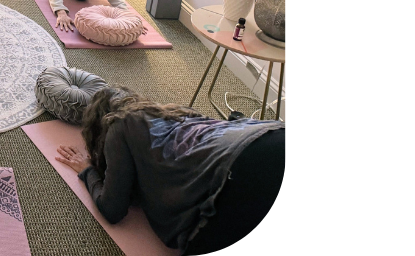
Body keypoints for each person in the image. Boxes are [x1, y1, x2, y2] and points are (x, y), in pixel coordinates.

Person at [55, 86, 286, 255]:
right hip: (273, 135)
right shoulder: (178, 112)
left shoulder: (119, 123)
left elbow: (112, 209)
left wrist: (88, 170)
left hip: (236, 176)